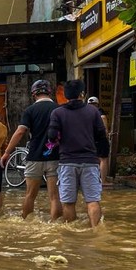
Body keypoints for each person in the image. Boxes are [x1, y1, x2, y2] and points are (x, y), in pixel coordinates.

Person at [47, 80, 108, 227]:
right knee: (93, 201)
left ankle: (71, 236)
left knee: (68, 203)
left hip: (67, 162)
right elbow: (102, 136)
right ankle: (96, 232)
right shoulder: (93, 111)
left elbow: (51, 136)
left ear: (66, 95)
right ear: (82, 94)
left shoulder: (57, 113)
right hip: (90, 162)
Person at [0, 80, 62, 221]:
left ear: (33, 94)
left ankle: (26, 224)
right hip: (55, 156)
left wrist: (7, 152)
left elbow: (20, 131)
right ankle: (56, 226)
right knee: (54, 196)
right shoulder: (58, 109)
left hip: (34, 157)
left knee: (30, 195)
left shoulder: (30, 110)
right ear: (49, 92)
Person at [87, 96, 111, 182]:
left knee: (93, 160)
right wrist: (107, 133)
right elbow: (103, 119)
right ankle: (103, 180)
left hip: (89, 139)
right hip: (100, 139)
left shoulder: (86, 113)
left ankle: (93, 180)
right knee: (103, 159)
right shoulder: (100, 112)